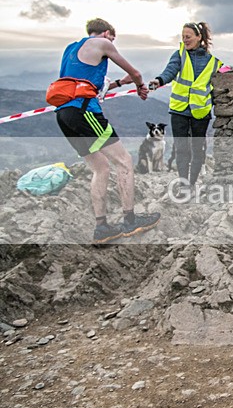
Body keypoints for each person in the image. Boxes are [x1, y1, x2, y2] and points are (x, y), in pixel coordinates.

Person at [55, 18, 161, 244]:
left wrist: (120, 84)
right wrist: (139, 86)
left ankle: (101, 227)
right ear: (106, 33)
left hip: (64, 115)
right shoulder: (103, 43)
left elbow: (90, 87)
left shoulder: (71, 49)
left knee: (100, 168)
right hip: (86, 113)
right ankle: (130, 221)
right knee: (124, 161)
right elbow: (136, 72)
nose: (113, 43)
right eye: (113, 38)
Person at [149, 22, 222, 192]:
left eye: (188, 37)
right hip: (179, 109)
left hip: (201, 112)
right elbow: (170, 71)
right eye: (183, 37)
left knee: (198, 150)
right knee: (181, 149)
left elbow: (224, 76)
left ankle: (192, 182)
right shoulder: (179, 55)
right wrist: (159, 81)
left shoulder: (213, 62)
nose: (185, 40)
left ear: (199, 37)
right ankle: (183, 185)